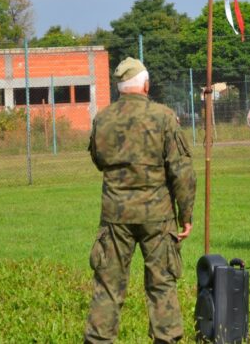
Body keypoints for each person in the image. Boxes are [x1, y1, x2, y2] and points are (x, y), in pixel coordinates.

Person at [84, 57, 196, 344]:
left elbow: (99, 160)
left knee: (108, 286)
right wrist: (186, 215)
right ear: (146, 84)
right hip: (157, 216)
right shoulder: (164, 117)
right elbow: (181, 171)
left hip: (114, 216)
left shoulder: (102, 118)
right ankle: (166, 339)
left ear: (120, 87)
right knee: (162, 284)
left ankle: (98, 340)